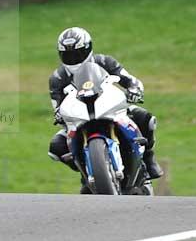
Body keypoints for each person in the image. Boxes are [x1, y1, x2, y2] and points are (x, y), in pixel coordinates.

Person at [48, 26, 163, 181]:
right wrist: (59, 115)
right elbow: (57, 104)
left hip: (109, 107)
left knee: (145, 118)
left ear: (88, 49)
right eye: (68, 55)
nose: (74, 59)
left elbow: (130, 80)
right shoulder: (57, 78)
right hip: (78, 117)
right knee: (56, 146)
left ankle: (149, 158)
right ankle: (87, 172)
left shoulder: (104, 61)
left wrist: (135, 90)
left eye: (77, 53)